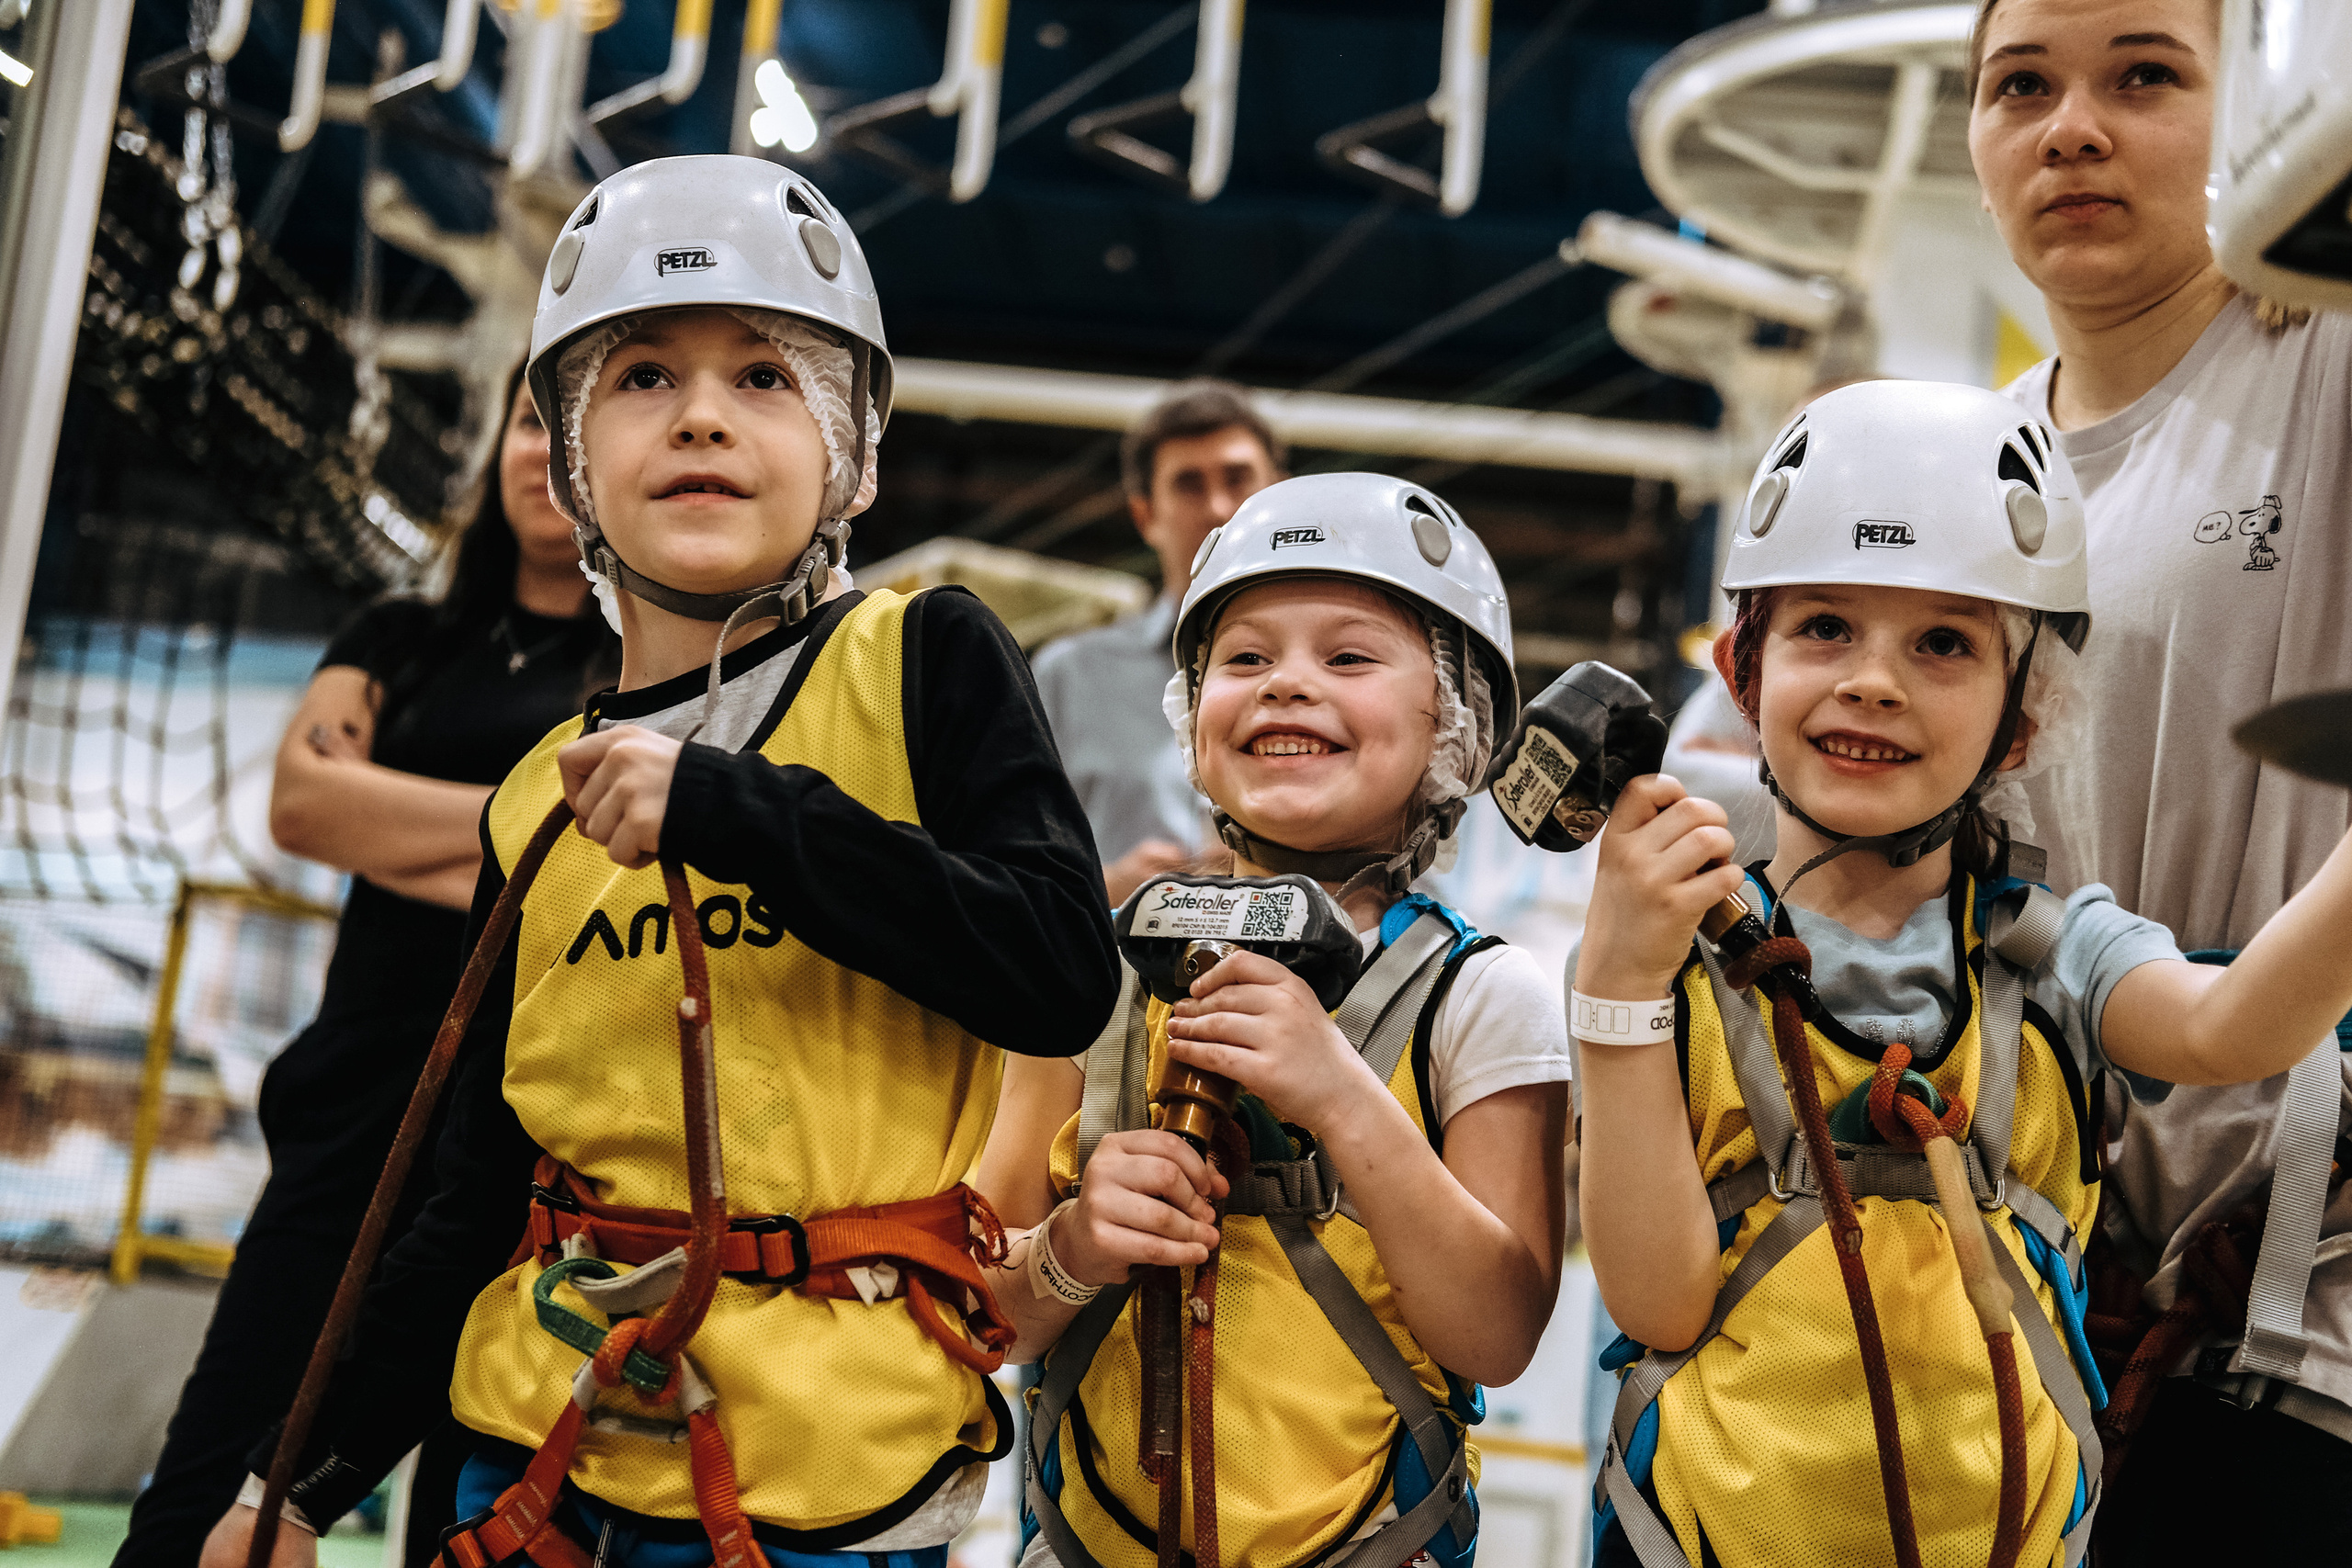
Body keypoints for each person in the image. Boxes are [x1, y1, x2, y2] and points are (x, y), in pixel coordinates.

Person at [198, 153, 1117, 1568]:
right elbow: (472, 1194)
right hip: (534, 1466)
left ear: (854, 454)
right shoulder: (533, 800)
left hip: (828, 1488)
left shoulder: (923, 657)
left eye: (764, 376)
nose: (700, 413)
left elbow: (1055, 968)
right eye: (641, 377)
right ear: (572, 464)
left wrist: (733, 809)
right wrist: (295, 1483)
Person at [1576, 379, 2352, 1568]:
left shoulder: (2056, 953)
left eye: (1943, 642)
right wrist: (1615, 983)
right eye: (1824, 626)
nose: (1873, 679)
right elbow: (1658, 1302)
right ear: (1744, 670)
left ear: (2021, 721)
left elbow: (2231, 1030)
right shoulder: (1667, 959)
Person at [979, 473, 1573, 1568]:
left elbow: (1495, 1335)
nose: (1287, 684)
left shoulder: (1478, 997)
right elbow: (982, 1310)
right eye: (1245, 659)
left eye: (1347, 658)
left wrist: (1340, 1094)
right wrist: (1073, 1243)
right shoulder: (1095, 977)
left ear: (1456, 722)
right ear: (1191, 712)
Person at [116, 369, 616, 1568]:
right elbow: (303, 804)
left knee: (468, 1517)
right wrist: (528, 833)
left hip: (528, 1137)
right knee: (209, 1487)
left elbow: (614, 874)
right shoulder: (398, 638)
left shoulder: (644, 674)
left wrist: (391, 823)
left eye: (581, 430)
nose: (546, 453)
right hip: (352, 1111)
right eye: (531, 422)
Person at [1966, 1, 2352, 1553]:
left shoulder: (2326, 357)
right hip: (2029, 1300)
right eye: (2021, 86)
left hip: (2307, 1313)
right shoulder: (1957, 475)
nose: (2073, 127)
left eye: (2144, 75)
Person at [1031, 380, 1286, 904]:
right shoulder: (1069, 675)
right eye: (1189, 484)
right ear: (1146, 515)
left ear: (1281, 497)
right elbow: (1013, 868)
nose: (1219, 508)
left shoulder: (1343, 676)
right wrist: (1104, 893)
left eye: (1238, 479)